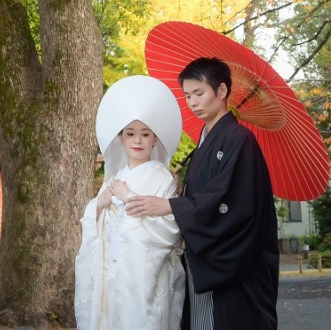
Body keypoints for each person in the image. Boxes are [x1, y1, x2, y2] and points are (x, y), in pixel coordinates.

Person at [126, 57, 279, 330]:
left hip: (232, 262)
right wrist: (179, 188)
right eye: (187, 95)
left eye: (199, 93)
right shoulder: (205, 141)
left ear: (221, 92)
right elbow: (206, 193)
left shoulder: (239, 139)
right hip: (203, 256)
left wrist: (172, 206)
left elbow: (231, 201)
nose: (193, 102)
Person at [75, 75, 185, 330]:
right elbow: (93, 217)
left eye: (145, 134)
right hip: (111, 267)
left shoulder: (161, 177)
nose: (137, 141)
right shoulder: (115, 176)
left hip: (143, 274)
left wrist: (127, 198)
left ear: (155, 139)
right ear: (121, 138)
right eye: (131, 133)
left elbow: (169, 230)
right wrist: (100, 204)